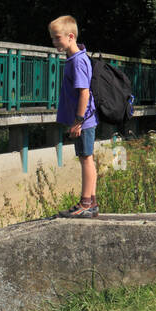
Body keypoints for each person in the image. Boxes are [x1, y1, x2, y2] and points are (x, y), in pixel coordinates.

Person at [49, 15, 98, 218]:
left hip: (83, 121)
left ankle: (86, 202)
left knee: (85, 158)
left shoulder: (77, 61)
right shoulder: (74, 59)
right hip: (83, 120)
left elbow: (84, 92)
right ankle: (91, 202)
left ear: (70, 36)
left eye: (57, 37)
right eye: (52, 38)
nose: (54, 42)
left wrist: (78, 121)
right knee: (87, 158)